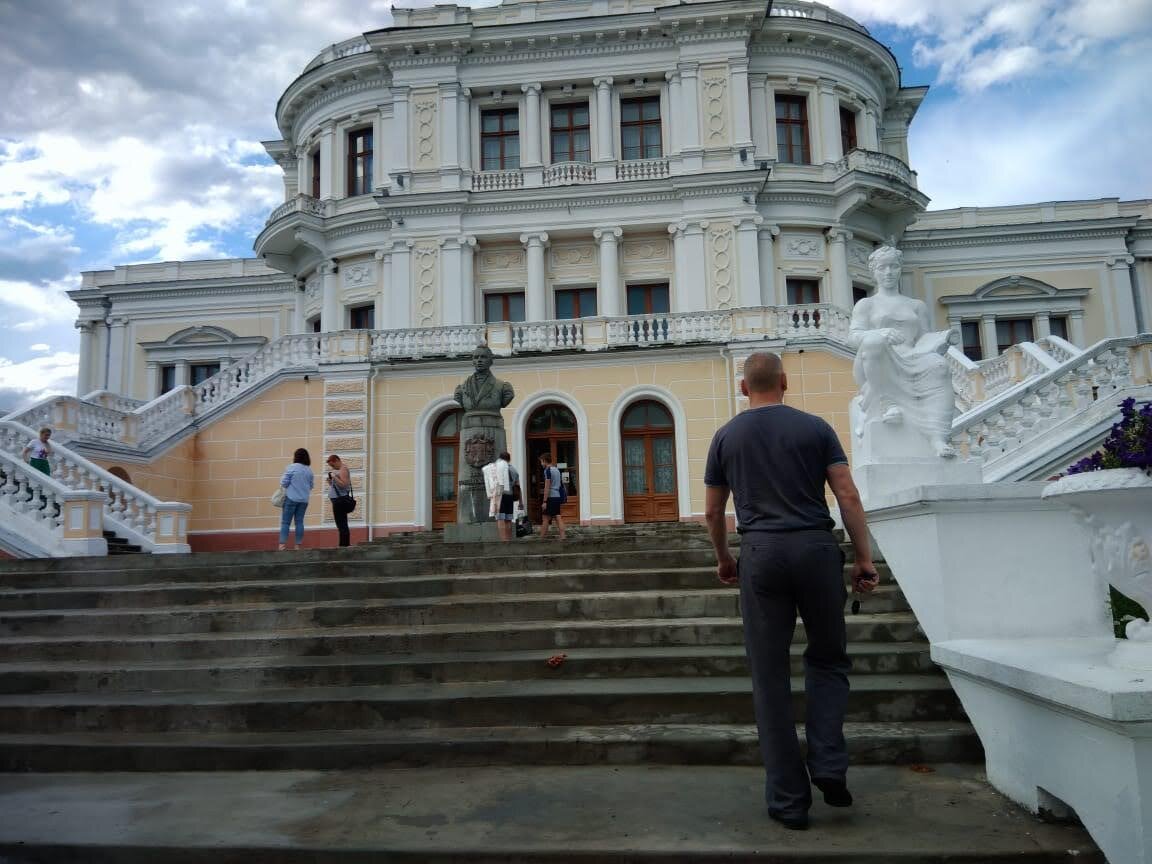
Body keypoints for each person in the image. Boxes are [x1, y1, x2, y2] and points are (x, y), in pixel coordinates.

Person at [703, 351, 879, 831]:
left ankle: (788, 801)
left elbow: (714, 513)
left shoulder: (726, 436)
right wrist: (864, 558)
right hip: (817, 550)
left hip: (760, 556)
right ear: (785, 381)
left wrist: (724, 558)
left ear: (744, 388)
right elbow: (847, 494)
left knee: (770, 677)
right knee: (827, 659)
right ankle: (827, 763)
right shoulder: (817, 427)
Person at [848, 244, 956, 458]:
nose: (888, 272)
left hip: (912, 357)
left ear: (899, 269)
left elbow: (924, 337)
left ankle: (938, 438)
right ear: (874, 271)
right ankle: (888, 403)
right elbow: (853, 338)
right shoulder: (866, 305)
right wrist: (881, 333)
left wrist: (941, 340)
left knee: (940, 366)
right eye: (882, 267)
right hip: (877, 358)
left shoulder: (916, 306)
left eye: (893, 267)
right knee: (873, 343)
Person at [278, 448, 314, 551]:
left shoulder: (291, 467)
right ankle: (298, 545)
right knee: (299, 522)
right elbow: (311, 486)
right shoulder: (309, 471)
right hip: (304, 500)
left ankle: (282, 545)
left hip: (291, 498)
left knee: (285, 522)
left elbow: (284, 483)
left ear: (296, 457)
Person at [325, 454, 353, 548]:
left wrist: (334, 477)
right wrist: (330, 481)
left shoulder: (343, 469)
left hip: (340, 501)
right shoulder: (338, 470)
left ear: (337, 460)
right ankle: (344, 545)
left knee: (342, 524)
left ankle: (344, 545)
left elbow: (344, 485)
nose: (332, 467)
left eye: (333, 465)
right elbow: (338, 486)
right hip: (337, 500)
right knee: (341, 523)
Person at [538, 452, 566, 541]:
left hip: (551, 497)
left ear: (545, 461)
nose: (541, 464)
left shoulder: (547, 470)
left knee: (545, 518)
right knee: (558, 516)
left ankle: (541, 539)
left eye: (541, 462)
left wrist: (545, 501)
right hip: (557, 496)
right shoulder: (557, 470)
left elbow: (547, 486)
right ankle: (563, 537)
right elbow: (561, 485)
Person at [493, 451, 519, 542]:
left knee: (500, 518)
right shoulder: (514, 470)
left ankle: (503, 540)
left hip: (500, 495)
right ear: (509, 459)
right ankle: (508, 539)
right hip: (510, 495)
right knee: (508, 519)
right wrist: (521, 501)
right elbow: (518, 486)